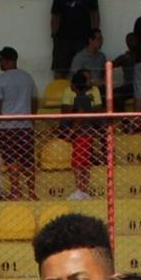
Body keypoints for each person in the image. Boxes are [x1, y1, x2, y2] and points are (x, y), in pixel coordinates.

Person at [0, 46, 39, 201]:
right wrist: (32, 119)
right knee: (28, 160)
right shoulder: (28, 78)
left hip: (7, 127)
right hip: (25, 126)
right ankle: (31, 192)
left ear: (8, 60)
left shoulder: (0, 80)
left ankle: (15, 191)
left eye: (0, 59)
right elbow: (34, 101)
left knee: (11, 160)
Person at [50, 0, 101, 77]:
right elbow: (55, 16)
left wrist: (95, 35)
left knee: (84, 71)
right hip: (63, 39)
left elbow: (95, 14)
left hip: (83, 39)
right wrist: (54, 35)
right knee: (60, 71)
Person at [62, 70, 105, 198]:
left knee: (78, 163)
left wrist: (71, 133)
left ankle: (80, 189)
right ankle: (84, 189)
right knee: (85, 163)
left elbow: (79, 116)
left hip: (81, 135)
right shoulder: (86, 98)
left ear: (74, 85)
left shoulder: (79, 99)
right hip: (87, 134)